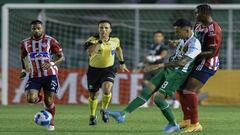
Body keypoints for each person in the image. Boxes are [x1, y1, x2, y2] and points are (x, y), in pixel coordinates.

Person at [107, 18, 201, 133]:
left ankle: (173, 124)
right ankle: (123, 114)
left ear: (186, 30)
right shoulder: (184, 39)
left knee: (158, 99)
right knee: (146, 91)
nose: (176, 34)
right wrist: (174, 43)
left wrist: (158, 65)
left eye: (177, 31)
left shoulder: (195, 44)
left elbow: (182, 62)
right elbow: (179, 47)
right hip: (168, 69)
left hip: (177, 74)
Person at [178, 4, 222, 133]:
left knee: (189, 90)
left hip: (208, 63)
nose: (195, 15)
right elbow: (193, 41)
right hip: (197, 61)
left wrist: (192, 53)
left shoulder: (214, 29)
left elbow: (212, 52)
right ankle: (186, 120)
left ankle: (195, 123)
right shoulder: (198, 25)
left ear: (205, 13)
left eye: (197, 13)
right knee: (181, 89)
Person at [19, 20, 65, 131]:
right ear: (31, 30)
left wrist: (51, 63)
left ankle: (51, 122)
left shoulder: (50, 40)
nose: (36, 30)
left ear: (42, 29)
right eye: (34, 28)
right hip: (34, 75)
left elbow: (61, 56)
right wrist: (24, 70)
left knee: (49, 101)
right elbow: (23, 57)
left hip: (50, 75)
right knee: (31, 99)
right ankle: (40, 99)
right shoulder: (25, 43)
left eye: (38, 28)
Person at [84, 20, 129, 125]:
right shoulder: (92, 40)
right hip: (93, 70)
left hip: (108, 69)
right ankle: (92, 115)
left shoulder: (115, 40)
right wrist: (100, 42)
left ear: (110, 30)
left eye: (106, 28)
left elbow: (118, 49)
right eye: (101, 28)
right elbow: (91, 53)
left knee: (107, 89)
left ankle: (104, 110)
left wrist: (122, 62)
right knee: (93, 96)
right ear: (98, 29)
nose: (103, 30)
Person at [134, 31, 169, 107]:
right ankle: (145, 101)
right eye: (156, 36)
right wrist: (142, 64)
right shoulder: (152, 46)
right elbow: (148, 57)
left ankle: (174, 100)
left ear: (162, 38)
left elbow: (163, 55)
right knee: (145, 82)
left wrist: (153, 58)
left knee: (161, 86)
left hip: (158, 67)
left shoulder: (163, 46)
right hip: (150, 67)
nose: (157, 38)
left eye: (159, 36)